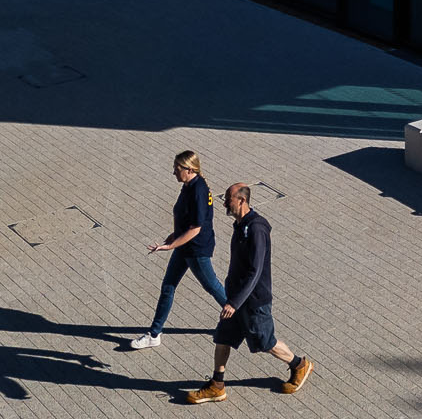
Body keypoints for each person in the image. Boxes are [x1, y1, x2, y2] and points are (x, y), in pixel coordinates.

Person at [180, 181, 312, 401]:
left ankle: (300, 365)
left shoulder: (257, 229)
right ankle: (217, 385)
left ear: (241, 200)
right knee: (223, 338)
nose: (224, 201)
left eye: (228, 198)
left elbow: (255, 271)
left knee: (266, 342)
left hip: (253, 301)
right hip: (236, 300)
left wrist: (234, 302)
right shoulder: (241, 225)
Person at [125, 149, 226, 350]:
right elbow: (185, 218)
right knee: (168, 287)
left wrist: (171, 245)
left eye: (176, 169)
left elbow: (196, 228)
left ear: (188, 169)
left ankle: (242, 317)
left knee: (212, 286)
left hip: (195, 249)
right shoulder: (190, 185)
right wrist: (173, 236)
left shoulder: (198, 190)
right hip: (183, 245)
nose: (173, 173)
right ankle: (154, 333)